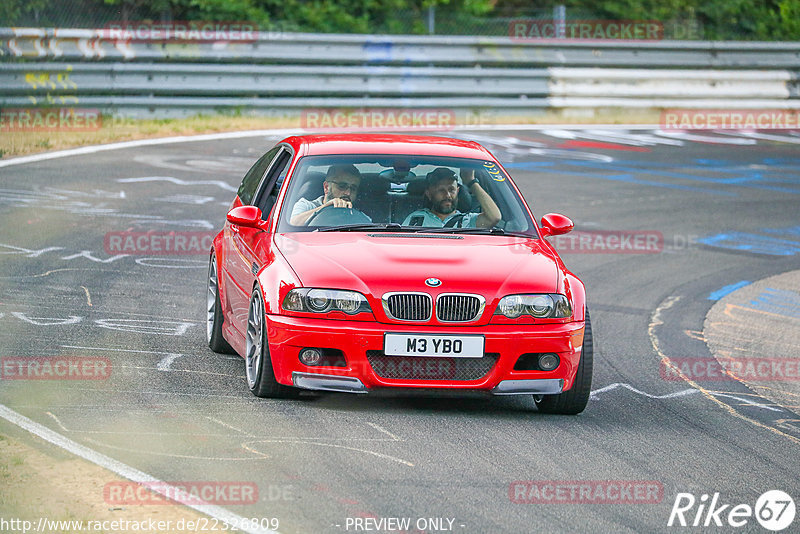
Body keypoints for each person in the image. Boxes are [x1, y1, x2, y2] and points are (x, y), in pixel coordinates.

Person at [402, 167, 501, 228]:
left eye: (451, 190)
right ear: (429, 193)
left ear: (457, 191)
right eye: (441, 190)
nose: (448, 195)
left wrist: (470, 181)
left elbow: (494, 217)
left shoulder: (468, 220)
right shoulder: (416, 218)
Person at [290, 164, 363, 225]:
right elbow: (292, 224)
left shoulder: (358, 216)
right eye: (342, 186)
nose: (348, 193)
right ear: (326, 187)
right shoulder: (306, 206)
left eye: (353, 188)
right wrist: (325, 207)